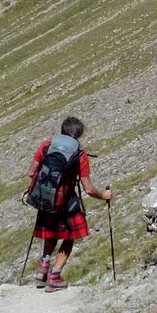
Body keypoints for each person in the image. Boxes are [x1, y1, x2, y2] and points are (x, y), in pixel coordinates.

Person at [28, 116, 112, 289]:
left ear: (62, 130)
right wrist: (104, 195)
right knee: (69, 237)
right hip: (66, 203)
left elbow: (31, 172)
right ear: (78, 135)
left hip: (46, 201)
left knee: (50, 233)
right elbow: (88, 189)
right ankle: (55, 277)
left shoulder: (46, 146)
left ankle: (43, 268)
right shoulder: (79, 156)